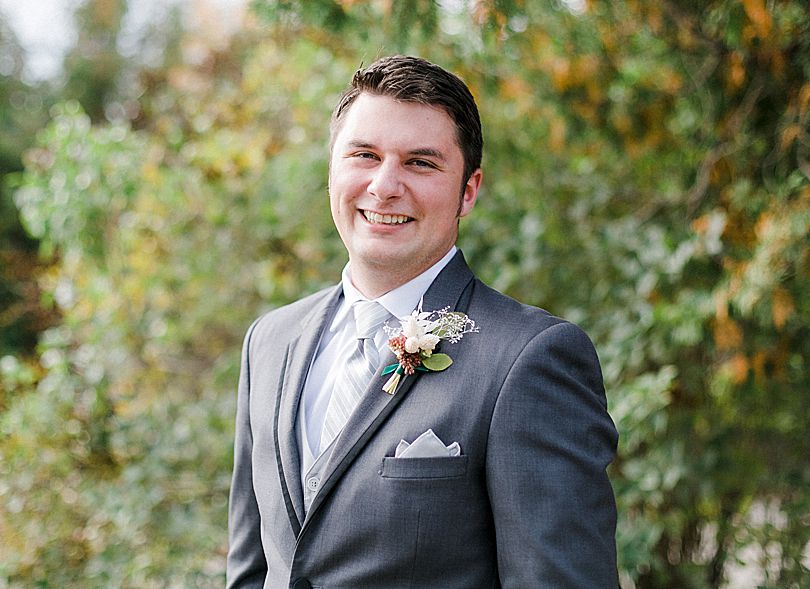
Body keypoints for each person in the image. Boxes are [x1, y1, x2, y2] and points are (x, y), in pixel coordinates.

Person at [226, 55, 619, 588]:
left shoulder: (530, 358)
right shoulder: (270, 342)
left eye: (420, 163)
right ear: (332, 169)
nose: (384, 186)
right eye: (364, 155)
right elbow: (251, 571)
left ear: (468, 191)